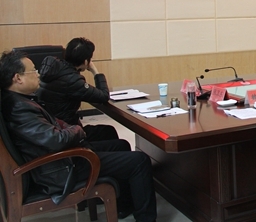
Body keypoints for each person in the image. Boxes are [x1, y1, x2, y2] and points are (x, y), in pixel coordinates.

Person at [0, 50, 157, 221]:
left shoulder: (16, 100)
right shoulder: (19, 108)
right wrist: (77, 130)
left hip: (57, 161)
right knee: (140, 160)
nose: (38, 74)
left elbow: (55, 127)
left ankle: (123, 205)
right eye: (33, 70)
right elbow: (56, 140)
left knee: (121, 145)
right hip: (61, 169)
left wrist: (70, 129)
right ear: (18, 78)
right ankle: (146, 218)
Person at [37, 37, 118, 142]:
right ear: (86, 61)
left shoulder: (52, 69)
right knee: (109, 132)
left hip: (52, 128)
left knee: (107, 131)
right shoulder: (72, 80)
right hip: (67, 132)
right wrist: (95, 72)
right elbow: (103, 96)